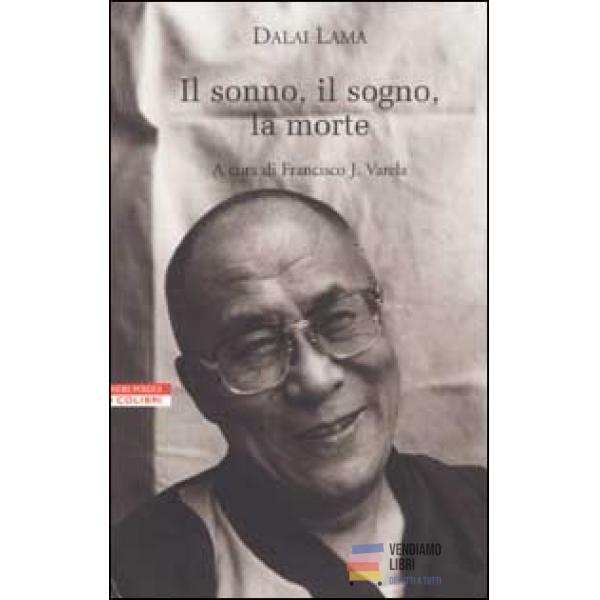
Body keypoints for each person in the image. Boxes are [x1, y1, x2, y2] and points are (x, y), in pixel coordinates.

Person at [111, 188, 486, 598]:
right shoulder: (143, 574)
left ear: (380, 317)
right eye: (257, 347)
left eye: (338, 319)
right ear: (202, 390)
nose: (315, 379)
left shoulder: (482, 509)